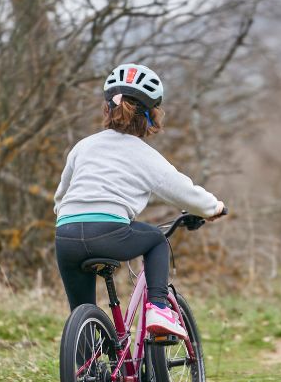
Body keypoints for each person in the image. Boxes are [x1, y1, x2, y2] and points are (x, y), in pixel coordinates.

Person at [54, 62, 226, 332]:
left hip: (66, 235)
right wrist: (212, 207)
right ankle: (158, 308)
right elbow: (182, 191)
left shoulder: (83, 147)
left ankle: (86, 368)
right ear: (151, 116)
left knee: (81, 314)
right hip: (109, 233)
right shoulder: (143, 154)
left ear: (107, 108)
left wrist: (72, 216)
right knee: (156, 240)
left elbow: (61, 194)